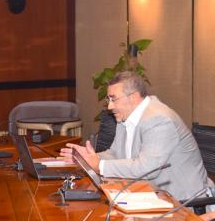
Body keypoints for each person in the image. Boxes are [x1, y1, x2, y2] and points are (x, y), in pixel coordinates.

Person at [61, 71, 213, 201]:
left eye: (114, 99)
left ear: (133, 97)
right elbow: (115, 154)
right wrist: (87, 159)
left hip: (182, 202)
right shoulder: (125, 116)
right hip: (149, 195)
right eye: (109, 100)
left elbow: (147, 168)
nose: (110, 106)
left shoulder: (159, 119)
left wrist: (99, 166)